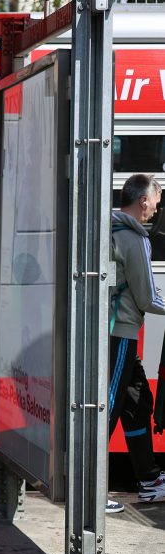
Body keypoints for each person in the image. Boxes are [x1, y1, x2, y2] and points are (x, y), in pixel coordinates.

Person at [108, 173, 165, 513]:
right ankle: (89, 492)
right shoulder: (135, 238)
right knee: (107, 410)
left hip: (115, 332)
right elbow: (146, 298)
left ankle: (149, 481)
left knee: (138, 403)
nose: (155, 212)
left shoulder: (110, 227)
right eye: (155, 205)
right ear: (143, 200)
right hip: (120, 335)